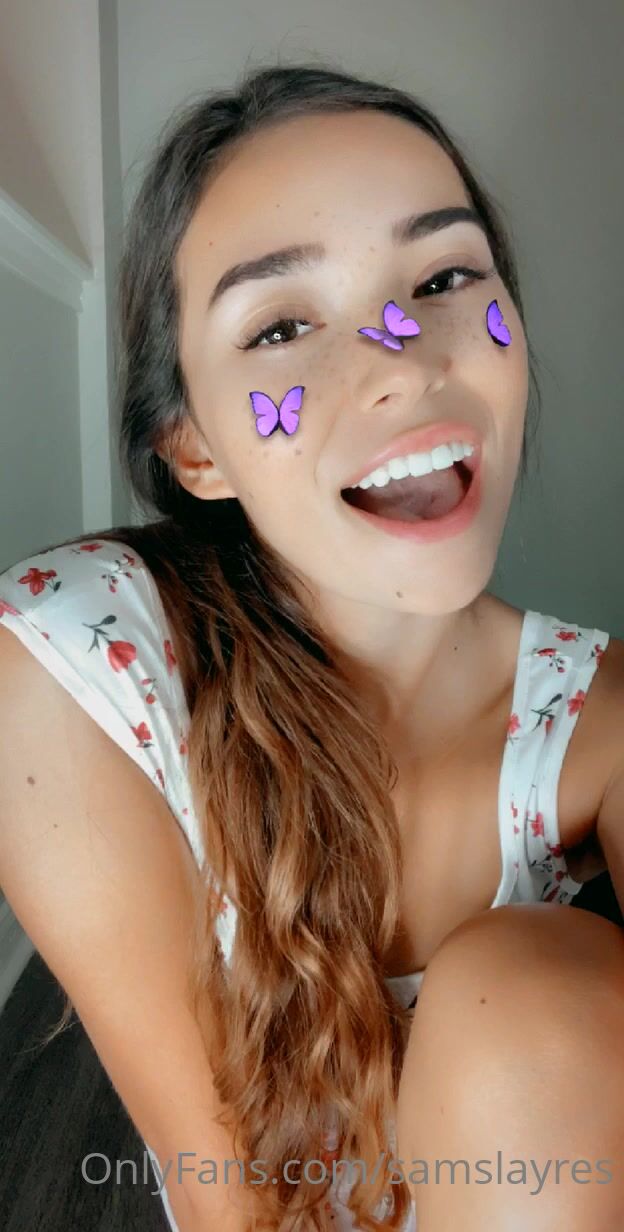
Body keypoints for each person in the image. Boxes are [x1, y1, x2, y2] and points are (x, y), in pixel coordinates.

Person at [1, 61, 624, 1232]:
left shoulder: (597, 713)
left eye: (443, 276)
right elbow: (228, 1199)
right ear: (195, 449)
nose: (403, 359)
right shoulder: (69, 658)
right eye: (281, 324)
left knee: (525, 1000)